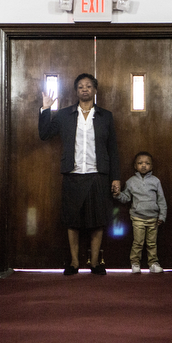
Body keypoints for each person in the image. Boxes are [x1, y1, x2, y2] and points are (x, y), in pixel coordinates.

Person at [39, 73, 120, 276]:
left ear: (94, 90)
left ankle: (95, 263)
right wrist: (45, 109)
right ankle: (74, 262)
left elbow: (113, 149)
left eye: (89, 86)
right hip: (73, 174)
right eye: (81, 87)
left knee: (98, 221)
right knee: (72, 221)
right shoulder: (65, 114)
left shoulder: (105, 116)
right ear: (76, 91)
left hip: (97, 174)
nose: (85, 89)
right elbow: (44, 134)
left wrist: (115, 177)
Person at [113, 151, 167, 274]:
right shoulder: (131, 181)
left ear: (151, 166)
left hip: (153, 218)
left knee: (152, 243)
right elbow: (126, 197)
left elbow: (161, 200)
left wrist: (162, 215)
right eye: (140, 163)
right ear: (135, 166)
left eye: (147, 163)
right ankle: (135, 263)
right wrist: (118, 195)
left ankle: (153, 263)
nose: (143, 165)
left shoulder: (155, 181)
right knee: (138, 242)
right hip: (137, 217)